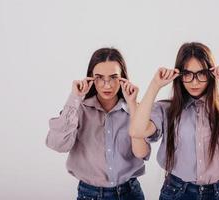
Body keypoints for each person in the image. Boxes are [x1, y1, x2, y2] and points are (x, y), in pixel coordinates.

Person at [129, 42, 219, 200]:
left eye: (201, 74)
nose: (194, 82)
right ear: (179, 75)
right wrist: (155, 85)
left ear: (210, 74)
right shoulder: (167, 109)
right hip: (176, 192)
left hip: (218, 193)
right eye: (187, 74)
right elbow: (137, 131)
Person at [46, 47, 149, 200]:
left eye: (113, 77)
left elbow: (143, 153)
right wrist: (75, 97)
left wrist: (133, 106)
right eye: (99, 77)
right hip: (91, 194)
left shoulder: (134, 109)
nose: (107, 85)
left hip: (130, 192)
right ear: (91, 78)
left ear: (123, 78)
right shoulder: (78, 109)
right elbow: (57, 145)